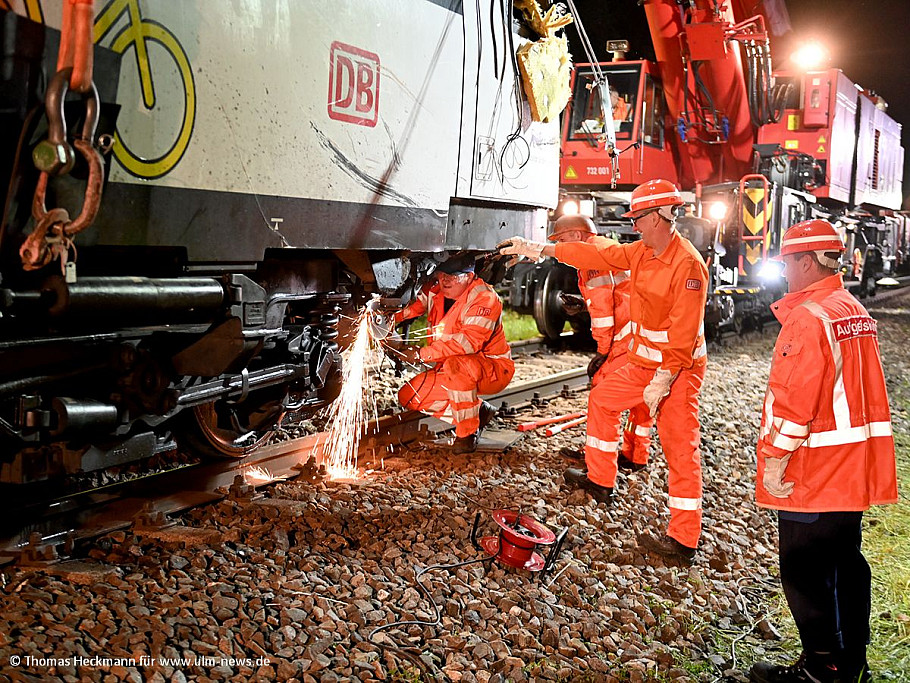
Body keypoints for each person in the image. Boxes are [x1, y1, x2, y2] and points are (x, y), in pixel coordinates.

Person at [499, 179, 708, 563]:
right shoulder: (642, 252)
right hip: (643, 364)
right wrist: (540, 249)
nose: (634, 224)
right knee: (602, 400)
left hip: (677, 372)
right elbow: (595, 252)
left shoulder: (687, 264)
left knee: (680, 449)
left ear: (660, 216)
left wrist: (663, 380)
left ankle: (683, 540)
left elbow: (683, 334)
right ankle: (601, 481)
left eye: (639, 217)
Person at [748, 219, 897, 683]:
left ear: (808, 262)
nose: (785, 271)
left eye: (788, 263)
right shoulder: (851, 309)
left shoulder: (809, 317)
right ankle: (852, 663)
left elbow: (795, 399)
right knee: (845, 564)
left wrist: (775, 458)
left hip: (814, 469)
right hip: (849, 467)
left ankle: (820, 668)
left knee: (805, 570)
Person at [550, 214, 653, 474]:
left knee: (603, 393)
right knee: (640, 395)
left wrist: (602, 352)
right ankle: (636, 455)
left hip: (624, 339)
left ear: (577, 236)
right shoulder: (605, 248)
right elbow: (618, 294)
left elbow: (604, 312)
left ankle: (598, 464)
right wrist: (584, 305)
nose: (560, 247)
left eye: (561, 240)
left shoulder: (590, 260)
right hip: (640, 333)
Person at [386, 255, 514, 454]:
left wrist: (420, 354)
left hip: (492, 369)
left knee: (457, 364)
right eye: (442, 275)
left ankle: (467, 435)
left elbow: (466, 344)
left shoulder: (484, 299)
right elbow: (410, 308)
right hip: (452, 368)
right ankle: (478, 411)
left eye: (453, 276)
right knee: (409, 396)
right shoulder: (436, 290)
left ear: (469, 276)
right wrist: (385, 319)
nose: (445, 280)